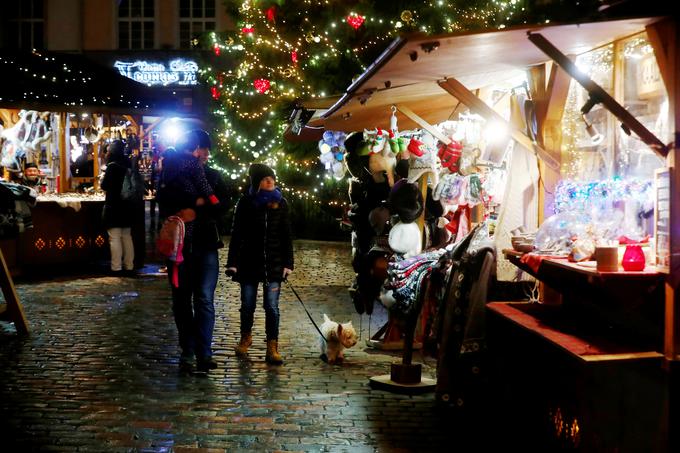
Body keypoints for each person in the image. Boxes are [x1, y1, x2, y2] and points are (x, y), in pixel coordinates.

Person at [157, 130, 228, 374]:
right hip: (179, 249)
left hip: (207, 246)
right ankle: (187, 350)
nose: (205, 154)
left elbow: (223, 206)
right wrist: (190, 205)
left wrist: (198, 211)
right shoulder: (171, 173)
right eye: (202, 149)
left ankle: (204, 353)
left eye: (207, 150)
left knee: (204, 300)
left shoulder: (214, 176)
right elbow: (164, 201)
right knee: (181, 302)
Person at [226, 163, 294, 365]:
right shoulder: (246, 203)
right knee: (247, 305)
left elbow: (286, 235)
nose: (270, 181)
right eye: (265, 178)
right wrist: (232, 263)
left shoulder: (281, 203)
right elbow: (237, 234)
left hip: (273, 265)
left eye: (272, 177)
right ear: (257, 183)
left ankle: (272, 346)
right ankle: (245, 338)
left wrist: (288, 263)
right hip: (249, 264)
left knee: (271, 307)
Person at [101, 140, 135, 275]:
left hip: (114, 205)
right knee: (127, 236)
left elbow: (105, 186)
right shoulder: (129, 164)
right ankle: (129, 265)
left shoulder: (112, 166)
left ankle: (116, 267)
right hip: (128, 205)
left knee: (114, 237)